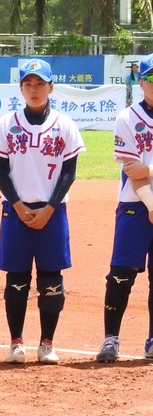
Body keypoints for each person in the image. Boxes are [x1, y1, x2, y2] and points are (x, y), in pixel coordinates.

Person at [0, 58, 85, 365]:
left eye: (40, 84)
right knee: (17, 277)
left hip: (53, 213)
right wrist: (18, 204)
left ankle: (47, 343)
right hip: (16, 211)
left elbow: (69, 173)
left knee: (52, 277)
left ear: (51, 87)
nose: (34, 89)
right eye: (28, 84)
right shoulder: (6, 123)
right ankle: (16, 343)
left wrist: (49, 208)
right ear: (20, 88)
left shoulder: (64, 125)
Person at [96, 53, 153, 363]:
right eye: (152, 77)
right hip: (135, 206)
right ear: (141, 82)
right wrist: (152, 204)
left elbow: (144, 169)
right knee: (120, 274)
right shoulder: (127, 118)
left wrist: (150, 169)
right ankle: (111, 339)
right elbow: (132, 169)